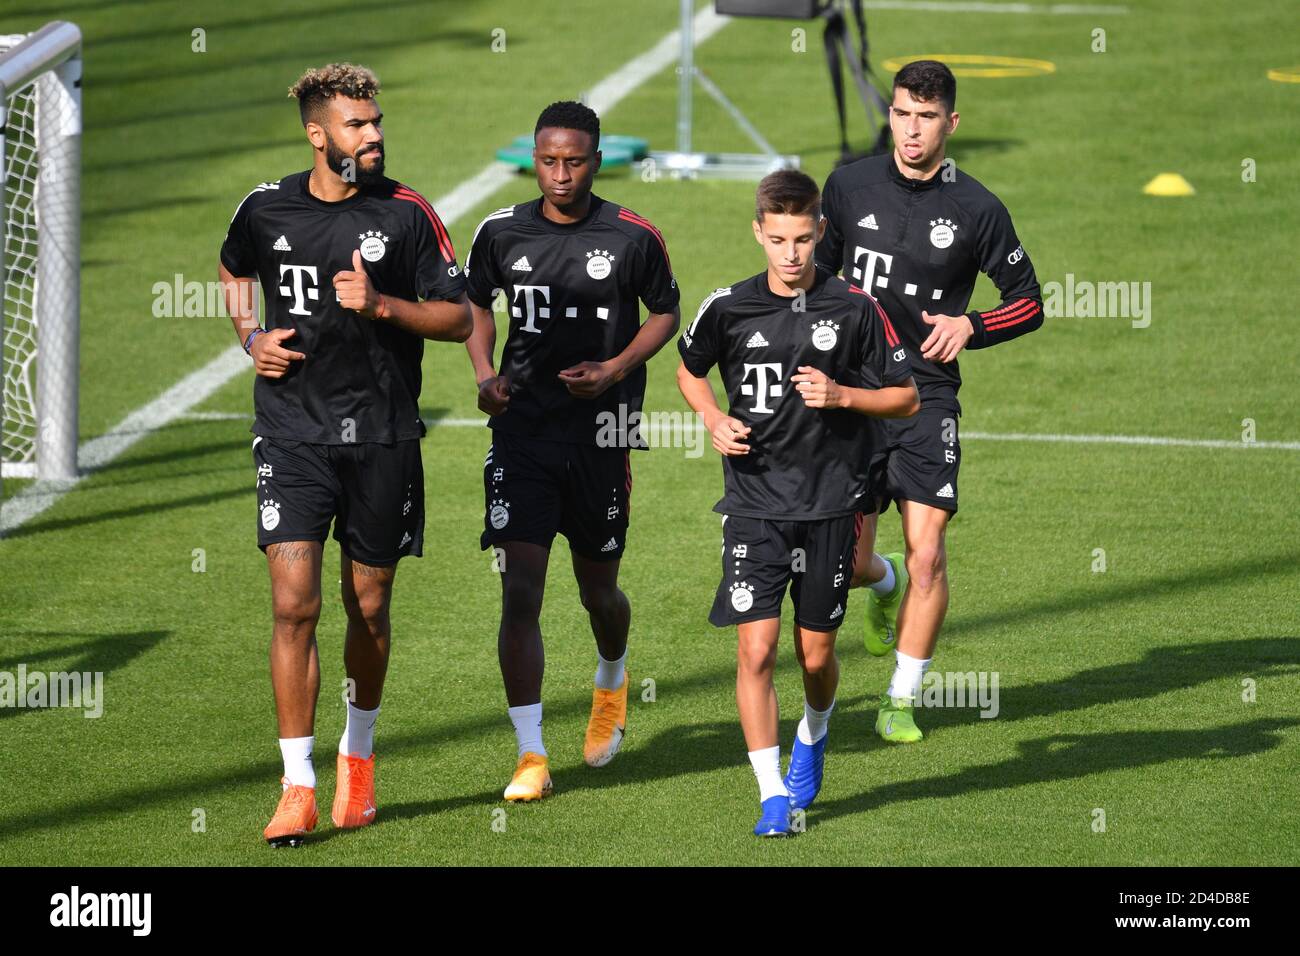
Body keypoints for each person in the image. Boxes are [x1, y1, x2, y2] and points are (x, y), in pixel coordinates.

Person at [218, 63, 471, 846]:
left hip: (382, 436)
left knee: (368, 605)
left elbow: (459, 319)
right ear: (318, 134)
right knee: (294, 604)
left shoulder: (405, 214)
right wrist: (251, 338)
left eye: (376, 121)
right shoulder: (265, 208)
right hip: (292, 433)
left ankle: (357, 758)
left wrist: (384, 304)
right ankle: (297, 784)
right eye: (358, 125)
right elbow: (232, 271)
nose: (374, 134)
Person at [677, 169, 918, 836]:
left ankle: (815, 733)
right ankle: (771, 794)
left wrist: (843, 396)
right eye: (778, 239)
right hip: (754, 503)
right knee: (755, 653)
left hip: (834, 503)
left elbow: (905, 397)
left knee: (815, 657)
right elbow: (688, 370)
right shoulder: (726, 307)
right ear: (758, 231)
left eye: (804, 240)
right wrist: (710, 418)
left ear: (821, 234)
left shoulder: (855, 308)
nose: (791, 254)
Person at [815, 60, 1043, 742]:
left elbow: (1029, 302)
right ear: (891, 114)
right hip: (855, 393)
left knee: (929, 553)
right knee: (850, 565)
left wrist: (972, 325)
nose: (913, 131)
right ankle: (881, 589)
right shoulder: (848, 186)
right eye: (902, 115)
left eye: (927, 117)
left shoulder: (977, 208)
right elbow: (814, 279)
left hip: (925, 397)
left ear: (951, 122)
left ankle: (900, 698)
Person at [463, 101, 681, 801]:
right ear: (535, 157)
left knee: (599, 592)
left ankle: (612, 679)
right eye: (549, 161)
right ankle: (530, 756)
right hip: (522, 433)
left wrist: (615, 370)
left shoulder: (631, 236)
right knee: (520, 589)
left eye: (575, 161)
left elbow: (666, 311)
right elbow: (475, 304)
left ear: (597, 159)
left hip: (601, 436)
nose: (560, 174)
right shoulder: (500, 232)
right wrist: (483, 376)